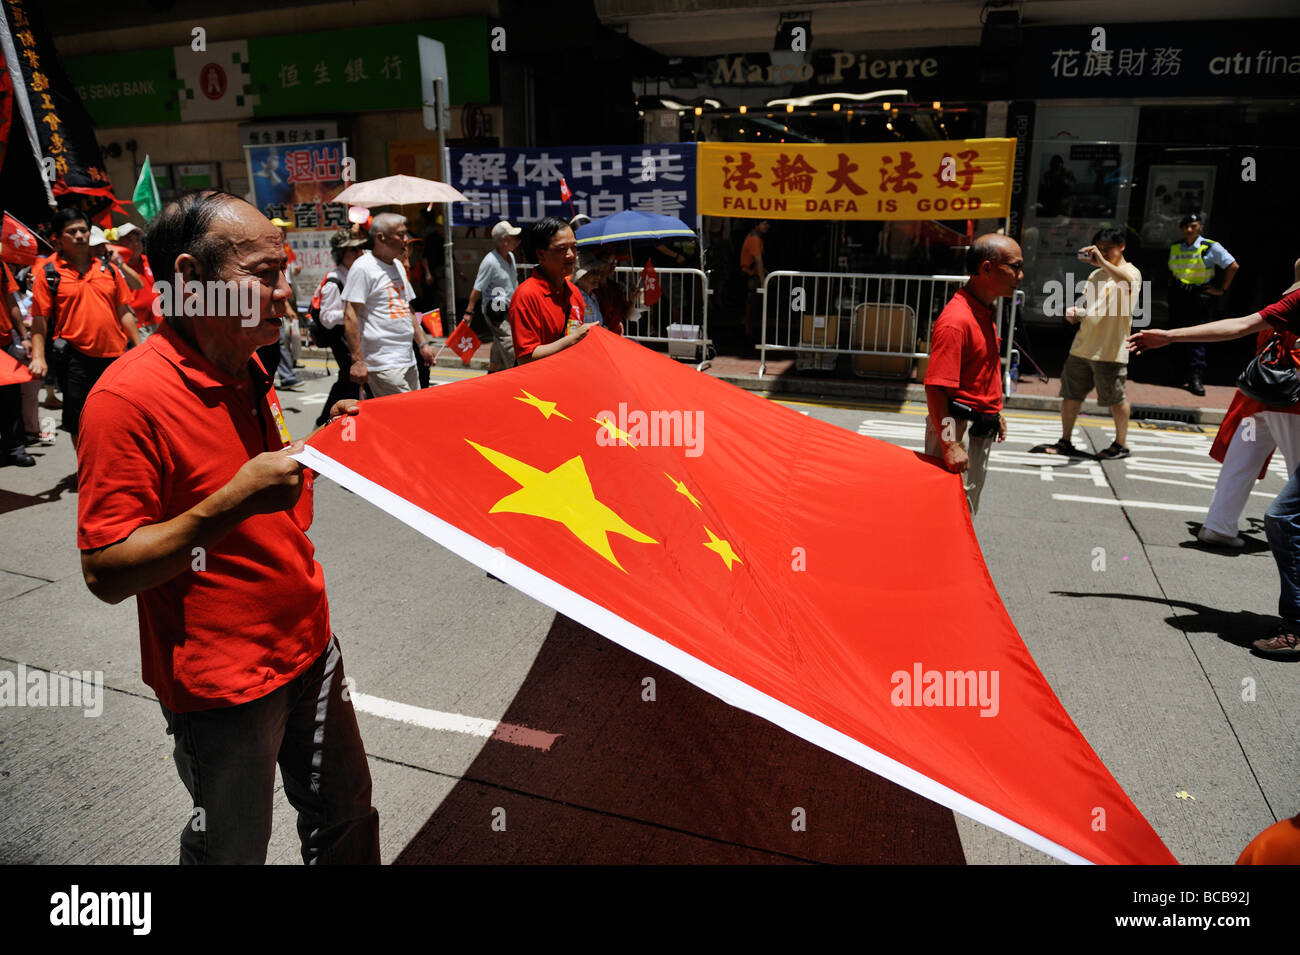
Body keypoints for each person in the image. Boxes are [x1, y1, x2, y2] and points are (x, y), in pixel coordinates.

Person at [76, 190, 379, 864]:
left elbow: (266, 484)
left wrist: (326, 447)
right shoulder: (126, 399)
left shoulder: (247, 364)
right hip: (225, 686)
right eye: (263, 273)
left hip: (311, 645)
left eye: (285, 271)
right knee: (233, 848)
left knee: (347, 817)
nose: (283, 292)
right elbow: (105, 568)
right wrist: (230, 503)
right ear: (189, 279)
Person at [1129, 281, 1300, 656]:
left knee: (1285, 516)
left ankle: (1295, 622)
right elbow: (1239, 326)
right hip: (1282, 403)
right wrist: (1171, 336)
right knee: (1285, 516)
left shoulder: (1292, 298)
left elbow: (1240, 326)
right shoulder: (1294, 300)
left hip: (1275, 404)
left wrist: (1171, 336)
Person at [1196, 260, 1300, 547]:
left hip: (1256, 400)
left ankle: (1218, 526)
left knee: (1238, 466)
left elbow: (1242, 329)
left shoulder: (1279, 308)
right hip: (1293, 403)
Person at [923, 233, 1023, 516]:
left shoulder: (983, 311)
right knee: (948, 516)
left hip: (977, 426)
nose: (1020, 274)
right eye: (1014, 266)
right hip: (956, 429)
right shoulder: (957, 321)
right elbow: (935, 388)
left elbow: (979, 373)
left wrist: (994, 412)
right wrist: (950, 444)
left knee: (964, 512)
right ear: (987, 268)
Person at [29, 208, 140, 439]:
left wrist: (138, 347)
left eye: (83, 230)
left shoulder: (108, 270)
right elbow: (39, 320)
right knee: (80, 421)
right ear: (57, 239)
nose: (80, 235)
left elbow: (124, 312)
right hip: (74, 359)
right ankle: (88, 471)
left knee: (119, 415)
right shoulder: (48, 274)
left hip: (116, 356)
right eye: (72, 231)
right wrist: (38, 356)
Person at [1034, 227, 1141, 460]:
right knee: (1071, 395)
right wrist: (1077, 312)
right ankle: (1065, 440)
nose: (1102, 254)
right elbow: (1092, 307)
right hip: (1083, 346)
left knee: (1115, 398)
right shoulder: (1095, 275)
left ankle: (1121, 443)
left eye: (1107, 249)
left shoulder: (1130, 272)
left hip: (1110, 349)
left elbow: (1127, 284)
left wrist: (1102, 262)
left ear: (1122, 247)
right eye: (1099, 249)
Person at [343, 212, 433, 396]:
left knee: (407, 416)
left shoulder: (397, 266)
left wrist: (422, 343)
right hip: (382, 362)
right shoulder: (363, 267)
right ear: (380, 237)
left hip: (407, 359)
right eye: (400, 235)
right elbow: (350, 314)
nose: (406, 240)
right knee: (405, 415)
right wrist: (357, 360)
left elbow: (407, 308)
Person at [1167, 212, 1238, 396]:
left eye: (1193, 226)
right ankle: (1177, 375)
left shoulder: (1210, 246)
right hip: (1179, 295)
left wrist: (1221, 290)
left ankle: (1195, 378)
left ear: (1201, 227)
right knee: (1175, 334)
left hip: (1199, 297)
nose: (1189, 230)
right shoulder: (1176, 247)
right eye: (1185, 226)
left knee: (1198, 337)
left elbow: (1233, 265)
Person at [508, 217, 589, 365]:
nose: (571, 254)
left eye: (574, 247)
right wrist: (572, 340)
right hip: (537, 385)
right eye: (562, 249)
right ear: (540, 254)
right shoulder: (526, 295)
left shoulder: (574, 292)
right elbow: (525, 358)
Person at [313, 228, 368, 426]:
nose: (359, 253)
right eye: (352, 250)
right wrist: (351, 312)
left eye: (360, 248)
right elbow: (327, 318)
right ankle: (325, 422)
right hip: (342, 340)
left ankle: (330, 421)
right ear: (340, 254)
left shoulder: (354, 274)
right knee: (349, 381)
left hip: (353, 337)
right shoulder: (334, 281)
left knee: (349, 382)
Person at [464, 220, 521, 373]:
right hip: (496, 308)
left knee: (499, 341)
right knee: (509, 342)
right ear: (504, 239)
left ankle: (493, 373)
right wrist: (469, 311)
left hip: (509, 306)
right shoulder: (490, 261)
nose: (517, 240)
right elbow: (478, 288)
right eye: (513, 237)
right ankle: (516, 373)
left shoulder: (511, 257)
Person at [1, 259, 34, 466]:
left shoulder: (1, 265)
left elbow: (10, 300)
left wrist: (23, 336)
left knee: (10, 399)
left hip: (4, 343)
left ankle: (14, 447)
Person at [111, 223, 159, 339]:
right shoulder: (115, 268)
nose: (136, 244)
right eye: (130, 241)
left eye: (138, 240)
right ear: (118, 244)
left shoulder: (149, 260)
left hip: (159, 319)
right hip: (139, 326)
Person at [739, 220, 770, 346]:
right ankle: (747, 333)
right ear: (756, 225)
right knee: (750, 305)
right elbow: (758, 262)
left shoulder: (755, 237)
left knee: (752, 305)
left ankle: (748, 331)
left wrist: (766, 275)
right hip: (750, 276)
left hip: (752, 274)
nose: (767, 226)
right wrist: (764, 282)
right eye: (765, 223)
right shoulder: (755, 239)